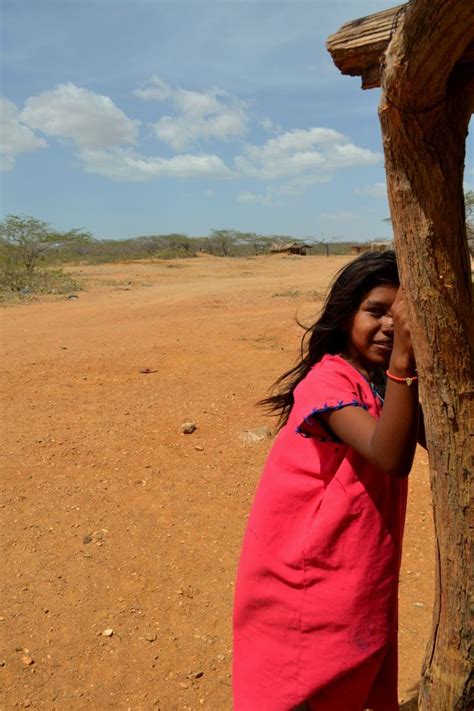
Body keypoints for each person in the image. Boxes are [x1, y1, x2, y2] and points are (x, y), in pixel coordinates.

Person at [233, 251, 424, 711]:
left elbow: (439, 437)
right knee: (301, 682)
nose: (389, 327)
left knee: (351, 672)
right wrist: (404, 357)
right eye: (376, 311)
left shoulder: (381, 382)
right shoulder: (326, 382)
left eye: (400, 318)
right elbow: (390, 456)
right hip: (308, 578)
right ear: (344, 318)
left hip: (354, 571)